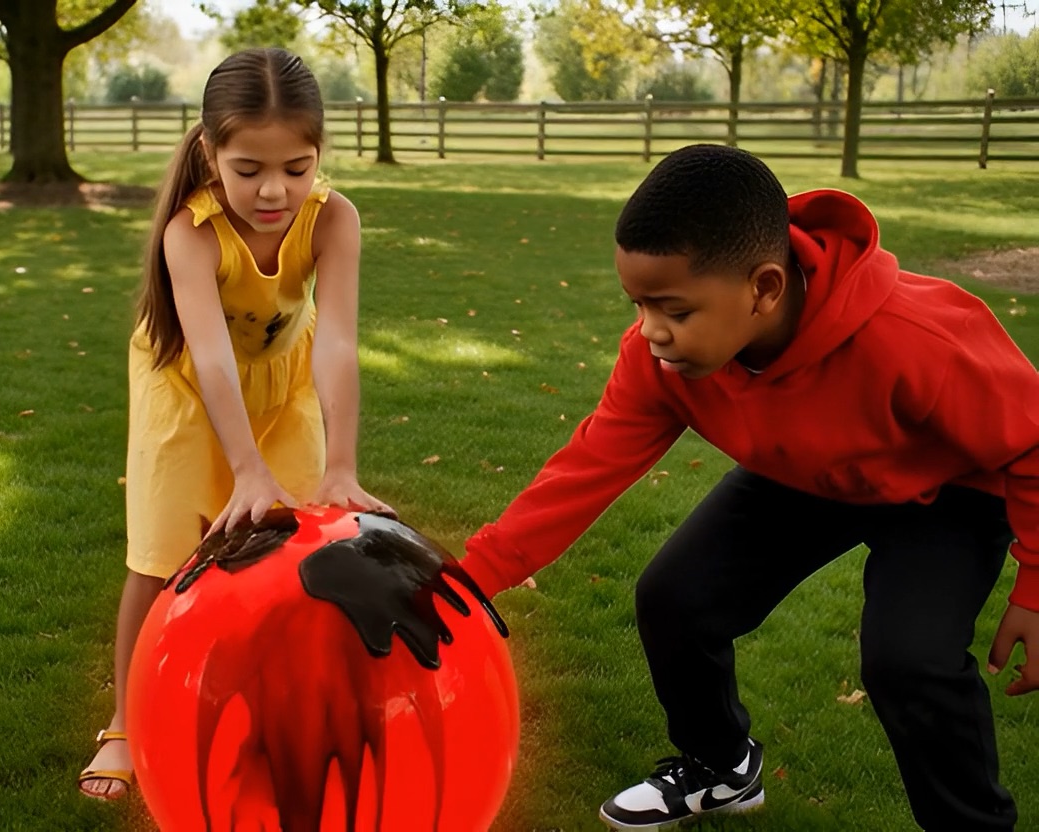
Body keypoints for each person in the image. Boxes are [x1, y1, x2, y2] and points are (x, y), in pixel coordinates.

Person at [460, 143, 1039, 832]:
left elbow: (1032, 441)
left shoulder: (914, 337)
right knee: (675, 599)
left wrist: (1035, 585)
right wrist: (469, 583)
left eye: (672, 308)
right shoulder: (660, 360)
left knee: (907, 661)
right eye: (638, 304)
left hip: (946, 492)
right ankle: (720, 768)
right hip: (804, 476)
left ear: (764, 288)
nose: (650, 331)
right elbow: (588, 467)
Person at [77, 47, 392, 800]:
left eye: (297, 166)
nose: (274, 189)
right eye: (248, 168)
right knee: (159, 560)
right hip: (186, 390)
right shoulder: (190, 231)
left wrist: (341, 464)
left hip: (285, 388)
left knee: (289, 552)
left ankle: (267, 704)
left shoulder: (334, 218)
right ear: (210, 151)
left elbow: (341, 342)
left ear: (320, 154)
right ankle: (124, 723)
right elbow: (213, 358)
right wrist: (244, 466)